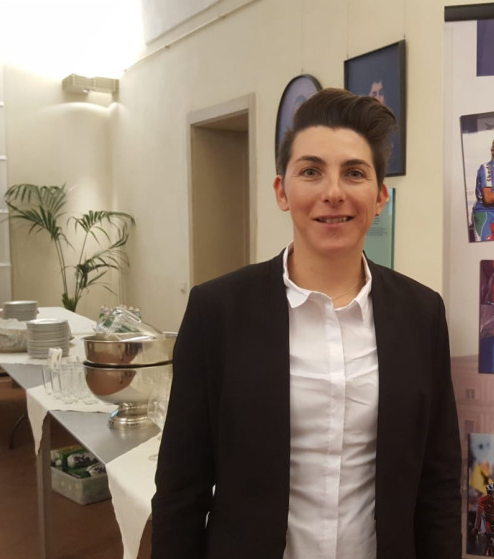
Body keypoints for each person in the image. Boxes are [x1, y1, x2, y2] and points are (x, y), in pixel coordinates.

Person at [151, 88, 461, 559]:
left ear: (380, 196)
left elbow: (438, 481)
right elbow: (181, 487)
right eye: (311, 171)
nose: (333, 192)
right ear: (282, 191)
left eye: (354, 173)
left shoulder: (421, 314)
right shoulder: (218, 311)